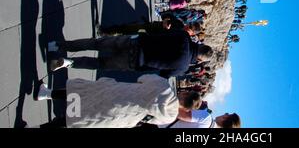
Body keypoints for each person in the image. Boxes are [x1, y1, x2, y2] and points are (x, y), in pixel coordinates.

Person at [47, 30, 214, 78]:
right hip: (135, 62)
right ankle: (68, 63)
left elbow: (163, 32)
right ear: (200, 59)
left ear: (201, 45)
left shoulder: (183, 36)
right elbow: (163, 74)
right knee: (99, 64)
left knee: (96, 44)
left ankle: (58, 46)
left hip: (136, 41)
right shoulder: (182, 67)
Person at [34, 74, 179, 128]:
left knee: (79, 93)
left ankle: (46, 93)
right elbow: (152, 121)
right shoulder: (170, 116)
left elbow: (142, 78)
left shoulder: (164, 86)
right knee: (76, 118)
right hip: (122, 115)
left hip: (117, 92)